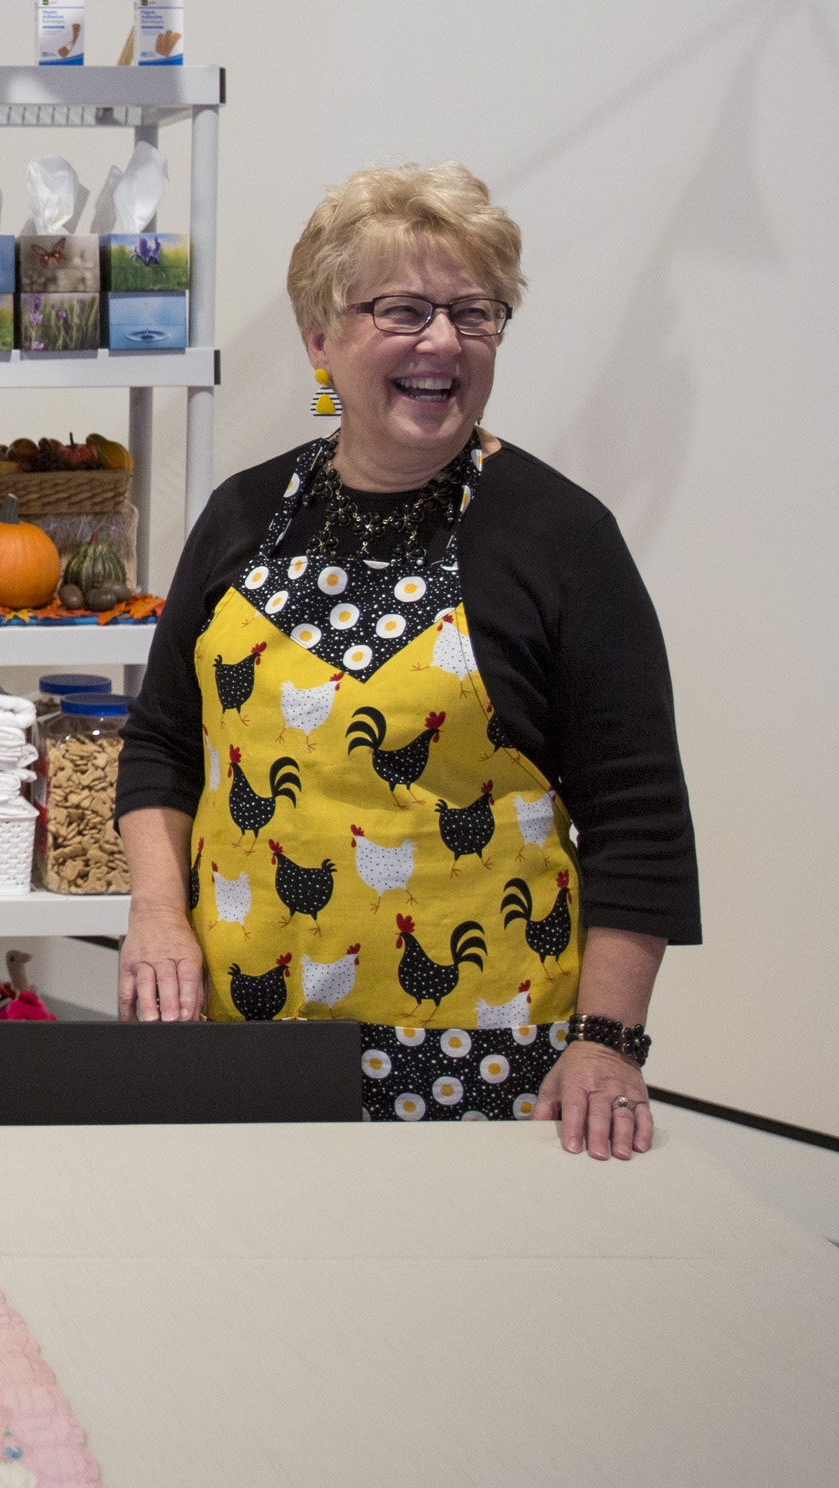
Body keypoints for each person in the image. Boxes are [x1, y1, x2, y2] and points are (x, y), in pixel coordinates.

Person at [113, 164, 700, 1157]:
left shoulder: (560, 538)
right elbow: (165, 741)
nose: (444, 341)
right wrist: (157, 914)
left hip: (490, 1070)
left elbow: (637, 814)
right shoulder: (244, 516)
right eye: (404, 309)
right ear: (320, 339)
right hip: (241, 1038)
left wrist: (608, 1039)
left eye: (476, 313)